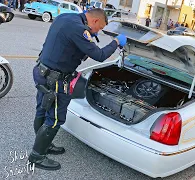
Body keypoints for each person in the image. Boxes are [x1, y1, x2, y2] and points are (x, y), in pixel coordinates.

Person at [27, 8, 127, 170]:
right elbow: (100, 55)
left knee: (42, 109)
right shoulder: (80, 30)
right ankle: (36, 156)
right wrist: (116, 43)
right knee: (55, 118)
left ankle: (44, 145)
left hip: (42, 71)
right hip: (56, 80)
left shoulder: (65, 17)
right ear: (94, 21)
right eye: (100, 28)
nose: (98, 31)